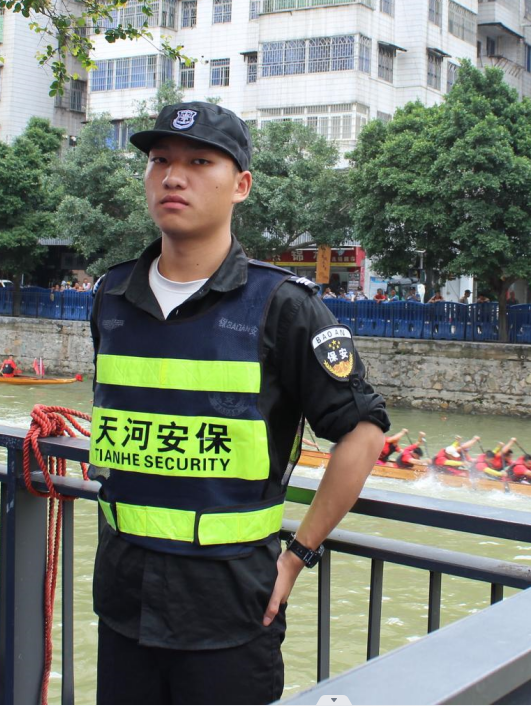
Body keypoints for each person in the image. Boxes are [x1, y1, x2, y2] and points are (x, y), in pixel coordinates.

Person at [88, 101, 388, 705]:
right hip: (124, 604)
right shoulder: (111, 297)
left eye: (200, 163)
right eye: (160, 161)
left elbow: (364, 431)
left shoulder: (284, 305)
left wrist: (297, 555)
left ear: (241, 185)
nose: (174, 177)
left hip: (231, 613)